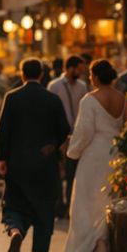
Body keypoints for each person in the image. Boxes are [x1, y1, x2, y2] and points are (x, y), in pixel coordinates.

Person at [0, 58, 71, 252]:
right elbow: (64, 128)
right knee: (44, 208)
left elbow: (3, 131)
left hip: (17, 162)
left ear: (22, 74)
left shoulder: (12, 98)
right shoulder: (52, 99)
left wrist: (2, 158)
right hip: (44, 164)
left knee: (14, 202)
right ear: (41, 75)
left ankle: (15, 231)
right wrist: (53, 146)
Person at [63, 60, 125, 252]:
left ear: (95, 77)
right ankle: (101, 248)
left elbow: (84, 131)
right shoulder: (121, 99)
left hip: (94, 154)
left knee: (84, 202)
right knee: (107, 200)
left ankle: (82, 251)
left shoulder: (89, 100)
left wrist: (72, 152)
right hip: (115, 153)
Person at [49, 56, 89, 218]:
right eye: (78, 69)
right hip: (60, 135)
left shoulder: (82, 86)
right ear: (70, 68)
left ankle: (69, 207)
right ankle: (59, 205)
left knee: (73, 172)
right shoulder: (55, 86)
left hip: (76, 134)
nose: (80, 72)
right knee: (59, 172)